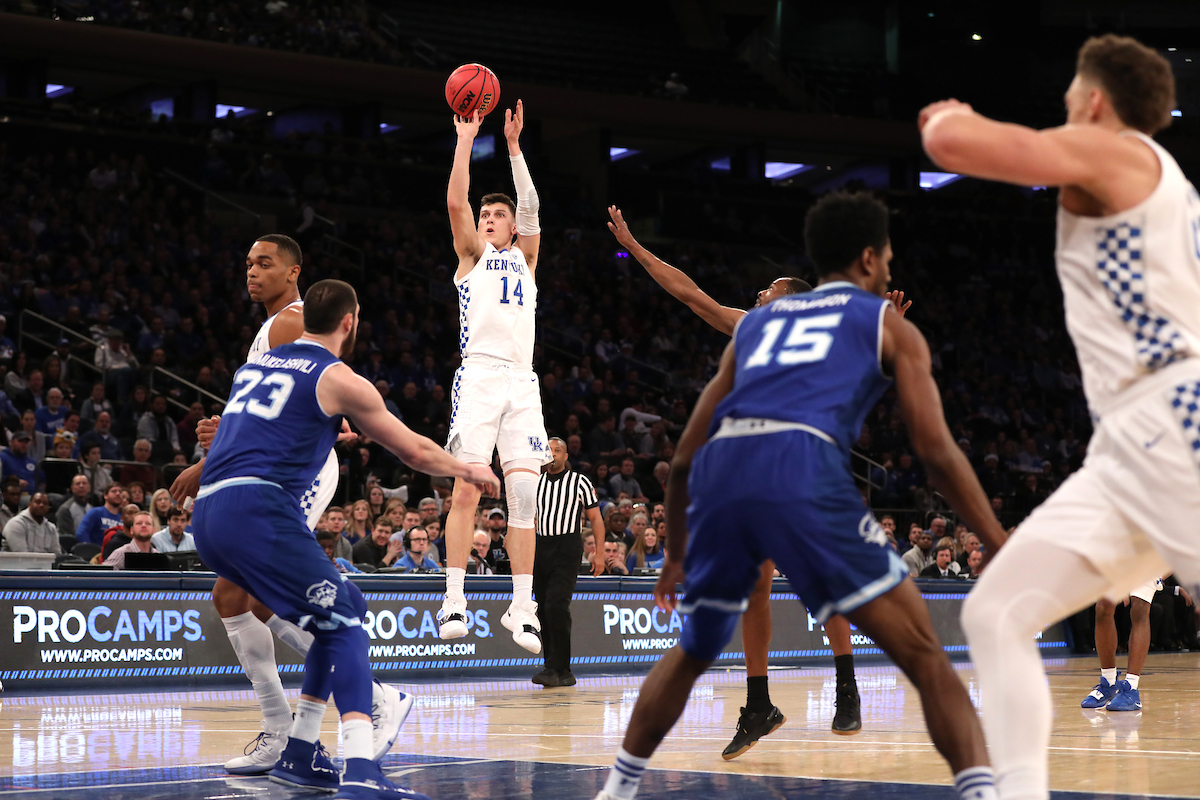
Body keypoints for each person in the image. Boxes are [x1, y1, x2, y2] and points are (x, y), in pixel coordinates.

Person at [593, 191, 1006, 800]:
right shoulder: (874, 319)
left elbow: (682, 457)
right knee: (923, 651)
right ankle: (980, 789)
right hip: (799, 467)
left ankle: (618, 788)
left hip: (722, 473)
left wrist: (676, 553)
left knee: (689, 652)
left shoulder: (754, 328)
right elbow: (937, 453)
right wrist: (996, 539)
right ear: (870, 258)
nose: (759, 296)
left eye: (766, 290)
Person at [922, 35, 1200, 800]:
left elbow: (953, 143)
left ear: (1096, 103)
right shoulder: (1153, 178)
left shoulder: (1118, 153)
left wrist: (947, 114)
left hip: (1178, 421)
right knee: (997, 612)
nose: (1066, 110)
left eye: (1071, 97)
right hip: (1125, 449)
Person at [607, 204, 912, 745]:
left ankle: (847, 687)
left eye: (767, 289)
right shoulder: (749, 328)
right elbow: (688, 293)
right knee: (756, 587)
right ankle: (758, 705)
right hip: (753, 467)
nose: (756, 296)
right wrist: (635, 248)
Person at [192, 278, 499, 799]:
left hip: (209, 512)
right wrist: (468, 470)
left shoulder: (256, 365)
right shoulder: (339, 377)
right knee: (348, 623)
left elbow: (265, 428)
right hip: (259, 508)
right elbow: (416, 453)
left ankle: (300, 752)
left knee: (336, 610)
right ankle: (361, 768)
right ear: (350, 321)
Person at [169, 235, 406, 777]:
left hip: (291, 473)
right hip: (263, 470)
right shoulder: (271, 326)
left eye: (265, 263)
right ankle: (286, 730)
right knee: (234, 598)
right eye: (249, 263)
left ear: (295, 272)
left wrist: (211, 461)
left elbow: (316, 393)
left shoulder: (289, 324)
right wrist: (217, 442)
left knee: (241, 594)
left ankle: (365, 701)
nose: (252, 272)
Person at [438, 100, 549, 655]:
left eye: (497, 215)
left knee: (526, 492)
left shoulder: (526, 258)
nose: (489, 218)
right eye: (486, 216)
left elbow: (530, 209)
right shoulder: (472, 257)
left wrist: (512, 149)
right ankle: (454, 596)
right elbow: (456, 200)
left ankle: (522, 607)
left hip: (522, 382)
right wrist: (467, 139)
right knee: (469, 485)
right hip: (480, 376)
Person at [532, 437, 604, 687]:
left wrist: (601, 553)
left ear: (566, 457)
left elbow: (595, 519)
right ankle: (562, 670)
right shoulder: (535, 482)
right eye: (548, 450)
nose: (552, 454)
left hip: (567, 546)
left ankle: (553, 666)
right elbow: (529, 519)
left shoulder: (580, 481)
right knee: (542, 608)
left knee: (556, 605)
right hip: (540, 546)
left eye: (557, 450)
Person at [1082, 579, 1160, 713]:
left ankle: (1131, 687)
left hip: (1148, 559)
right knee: (1103, 607)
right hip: (1120, 558)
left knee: (1140, 607)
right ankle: (1108, 683)